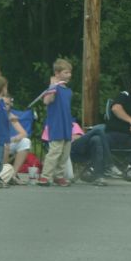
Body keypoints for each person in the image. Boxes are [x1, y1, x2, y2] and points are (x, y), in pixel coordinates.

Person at [38, 59, 73, 187]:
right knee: (55, 151)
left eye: (69, 72)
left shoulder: (68, 91)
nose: (69, 75)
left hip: (66, 124)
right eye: (66, 72)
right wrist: (52, 86)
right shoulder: (54, 88)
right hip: (56, 124)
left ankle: (59, 176)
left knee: (65, 152)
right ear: (57, 73)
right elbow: (47, 101)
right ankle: (45, 176)